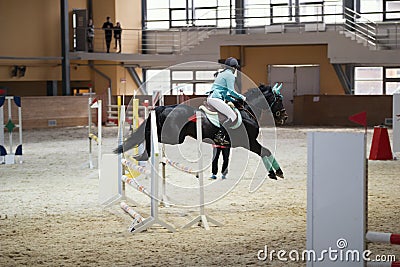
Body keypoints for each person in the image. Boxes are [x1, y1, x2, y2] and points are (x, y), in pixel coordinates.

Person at [207, 57, 246, 145]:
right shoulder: (230, 75)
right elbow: (231, 91)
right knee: (232, 116)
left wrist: (232, 99)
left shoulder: (222, 73)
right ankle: (219, 136)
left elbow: (225, 95)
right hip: (215, 99)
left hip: (212, 98)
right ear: (234, 67)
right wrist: (241, 97)